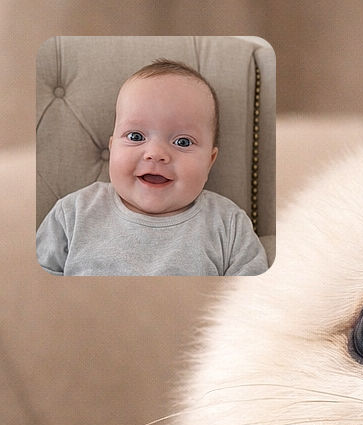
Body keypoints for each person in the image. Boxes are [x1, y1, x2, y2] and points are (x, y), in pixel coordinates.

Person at [36, 59, 268, 276]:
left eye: (183, 142)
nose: (156, 154)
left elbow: (255, 300)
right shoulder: (73, 213)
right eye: (136, 136)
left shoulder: (228, 224)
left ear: (210, 161)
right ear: (112, 147)